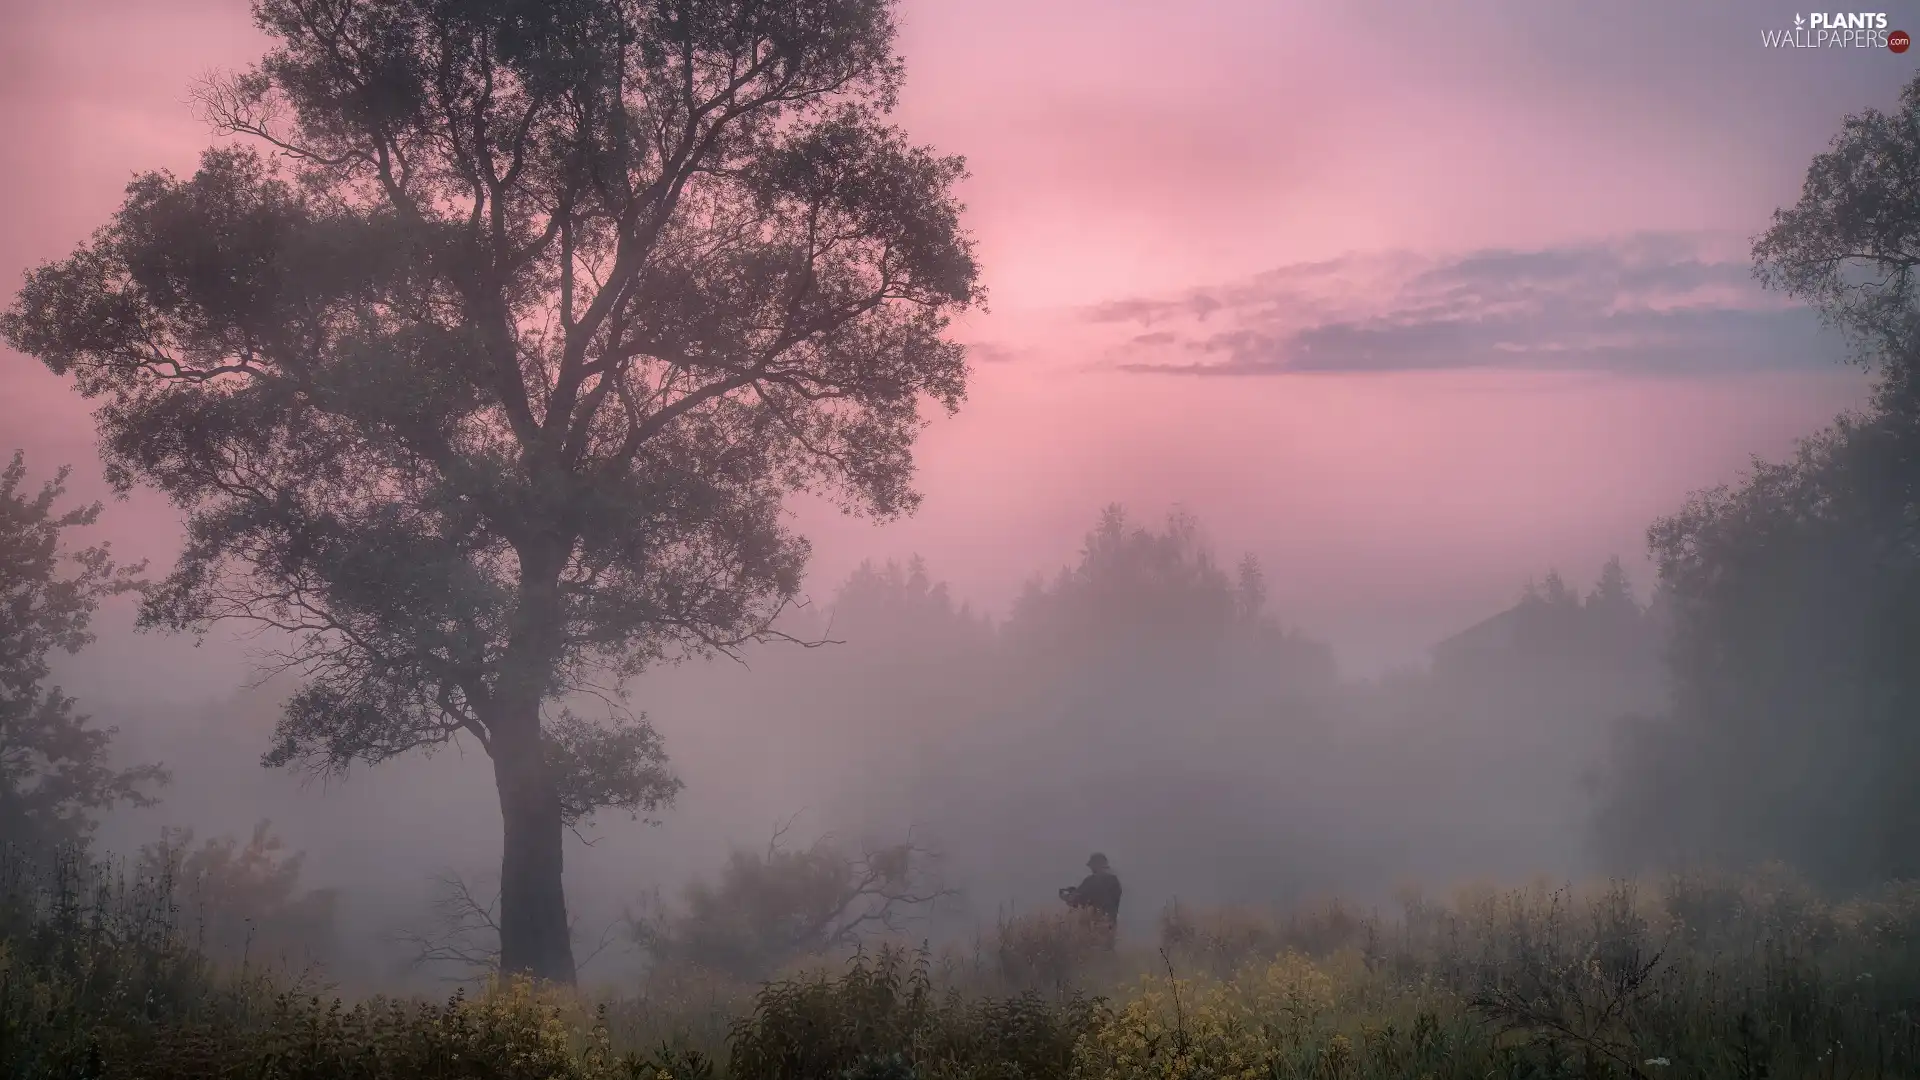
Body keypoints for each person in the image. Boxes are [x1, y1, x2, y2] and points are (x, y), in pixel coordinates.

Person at [1058, 852, 1122, 946]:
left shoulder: (1091, 880)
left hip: (1094, 925)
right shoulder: (1114, 880)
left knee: (1092, 953)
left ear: (1096, 865)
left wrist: (1065, 896)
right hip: (1111, 922)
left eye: (1092, 866)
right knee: (1108, 951)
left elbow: (1075, 900)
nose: (1091, 869)